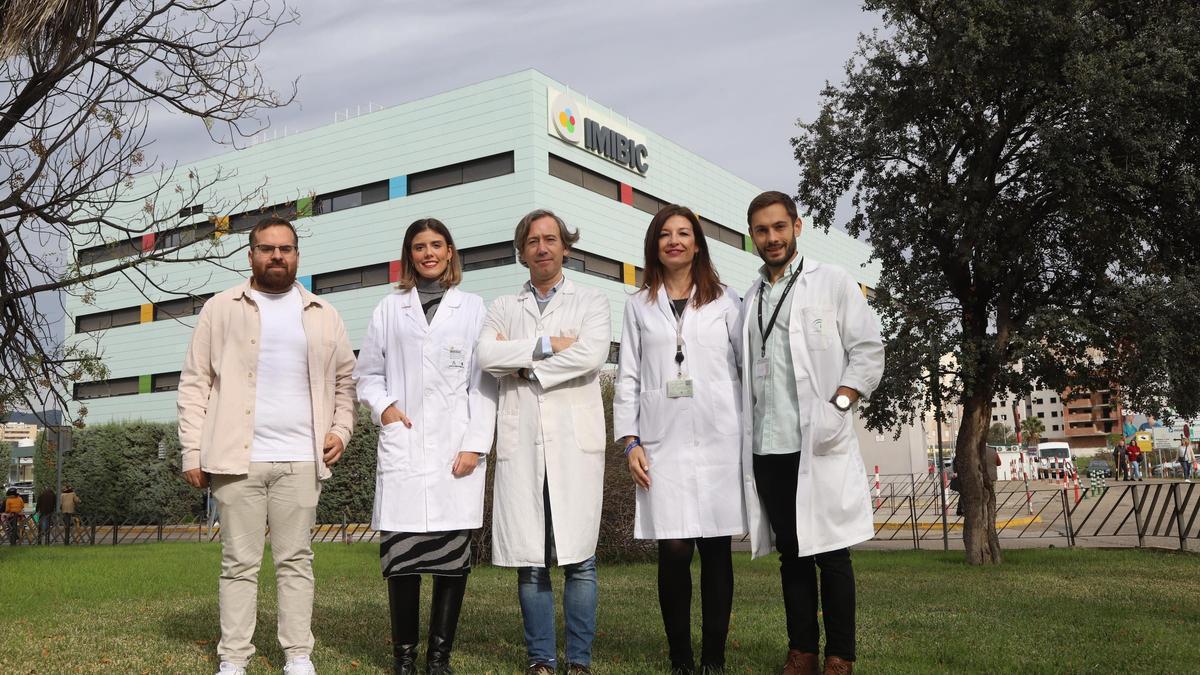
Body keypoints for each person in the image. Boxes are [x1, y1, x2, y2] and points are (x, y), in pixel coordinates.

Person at [177, 216, 357, 675]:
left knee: (296, 561)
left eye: (285, 248)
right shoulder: (220, 309)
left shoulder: (324, 313)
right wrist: (192, 452)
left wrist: (341, 430)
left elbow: (345, 381)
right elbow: (195, 383)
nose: (277, 256)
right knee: (239, 563)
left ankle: (298, 655)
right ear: (251, 254)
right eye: (267, 248)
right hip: (236, 459)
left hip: (302, 459)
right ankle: (233, 659)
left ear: (297, 255)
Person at [738, 192, 884, 675]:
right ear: (752, 236)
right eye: (762, 230)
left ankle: (840, 655)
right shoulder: (750, 299)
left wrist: (840, 403)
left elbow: (868, 351)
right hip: (768, 445)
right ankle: (801, 651)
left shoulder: (832, 282)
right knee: (792, 555)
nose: (772, 238)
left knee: (832, 552)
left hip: (818, 442)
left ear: (797, 227)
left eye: (779, 227)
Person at [354, 218, 497, 675]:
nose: (429, 253)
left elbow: (485, 383)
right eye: (420, 247)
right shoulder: (388, 308)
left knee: (452, 561)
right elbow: (367, 374)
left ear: (450, 252)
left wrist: (475, 444)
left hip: (457, 449)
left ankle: (439, 660)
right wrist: (385, 409)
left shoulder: (473, 308)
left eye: (437, 245)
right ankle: (404, 660)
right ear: (409, 255)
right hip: (407, 444)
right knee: (402, 561)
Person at [476, 209, 611, 675]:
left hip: (575, 444)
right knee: (530, 558)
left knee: (581, 558)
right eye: (532, 241)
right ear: (522, 251)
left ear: (565, 247)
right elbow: (486, 355)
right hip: (523, 441)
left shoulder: (592, 300)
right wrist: (550, 345)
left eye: (550, 239)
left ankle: (579, 661)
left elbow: (591, 355)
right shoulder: (503, 306)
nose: (542, 248)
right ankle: (541, 659)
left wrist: (523, 367)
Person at [613, 205, 745, 674]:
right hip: (660, 442)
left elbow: (746, 367)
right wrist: (630, 442)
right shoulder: (637, 305)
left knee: (716, 549)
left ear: (697, 244)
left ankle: (713, 659)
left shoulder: (726, 300)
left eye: (684, 233)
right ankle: (681, 659)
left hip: (719, 439)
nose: (674, 241)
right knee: (673, 550)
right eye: (665, 234)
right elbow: (628, 376)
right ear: (655, 245)